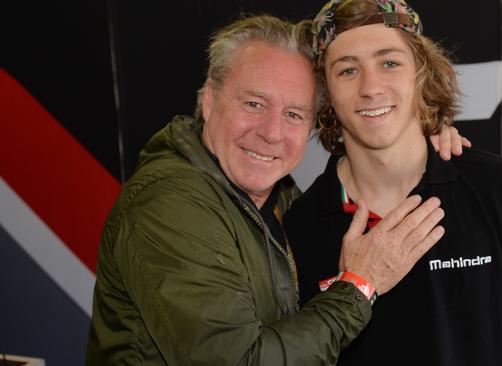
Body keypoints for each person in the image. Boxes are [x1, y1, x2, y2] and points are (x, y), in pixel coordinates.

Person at [86, 14, 467, 365]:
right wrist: (359, 286)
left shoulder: (281, 200)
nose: (271, 133)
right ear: (209, 100)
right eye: (254, 104)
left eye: (293, 115)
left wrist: (413, 143)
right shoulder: (169, 203)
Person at [284, 1, 502, 365]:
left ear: (421, 72)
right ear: (325, 91)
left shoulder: (501, 188)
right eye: (347, 70)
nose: (371, 87)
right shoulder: (299, 226)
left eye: (389, 63)